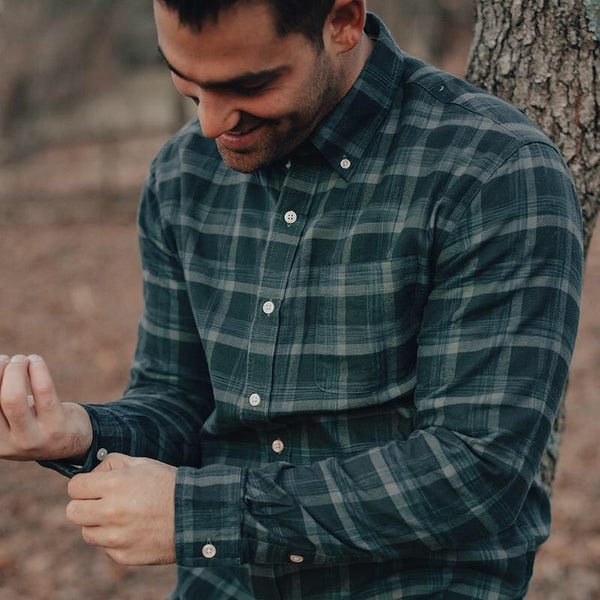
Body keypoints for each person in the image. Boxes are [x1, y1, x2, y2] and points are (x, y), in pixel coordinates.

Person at [0, 0, 584, 598]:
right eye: (188, 83)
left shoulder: (492, 171)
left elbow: (474, 470)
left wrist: (199, 515)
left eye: (248, 84)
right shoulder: (182, 174)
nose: (211, 123)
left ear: (343, 22)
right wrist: (76, 430)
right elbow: (178, 402)